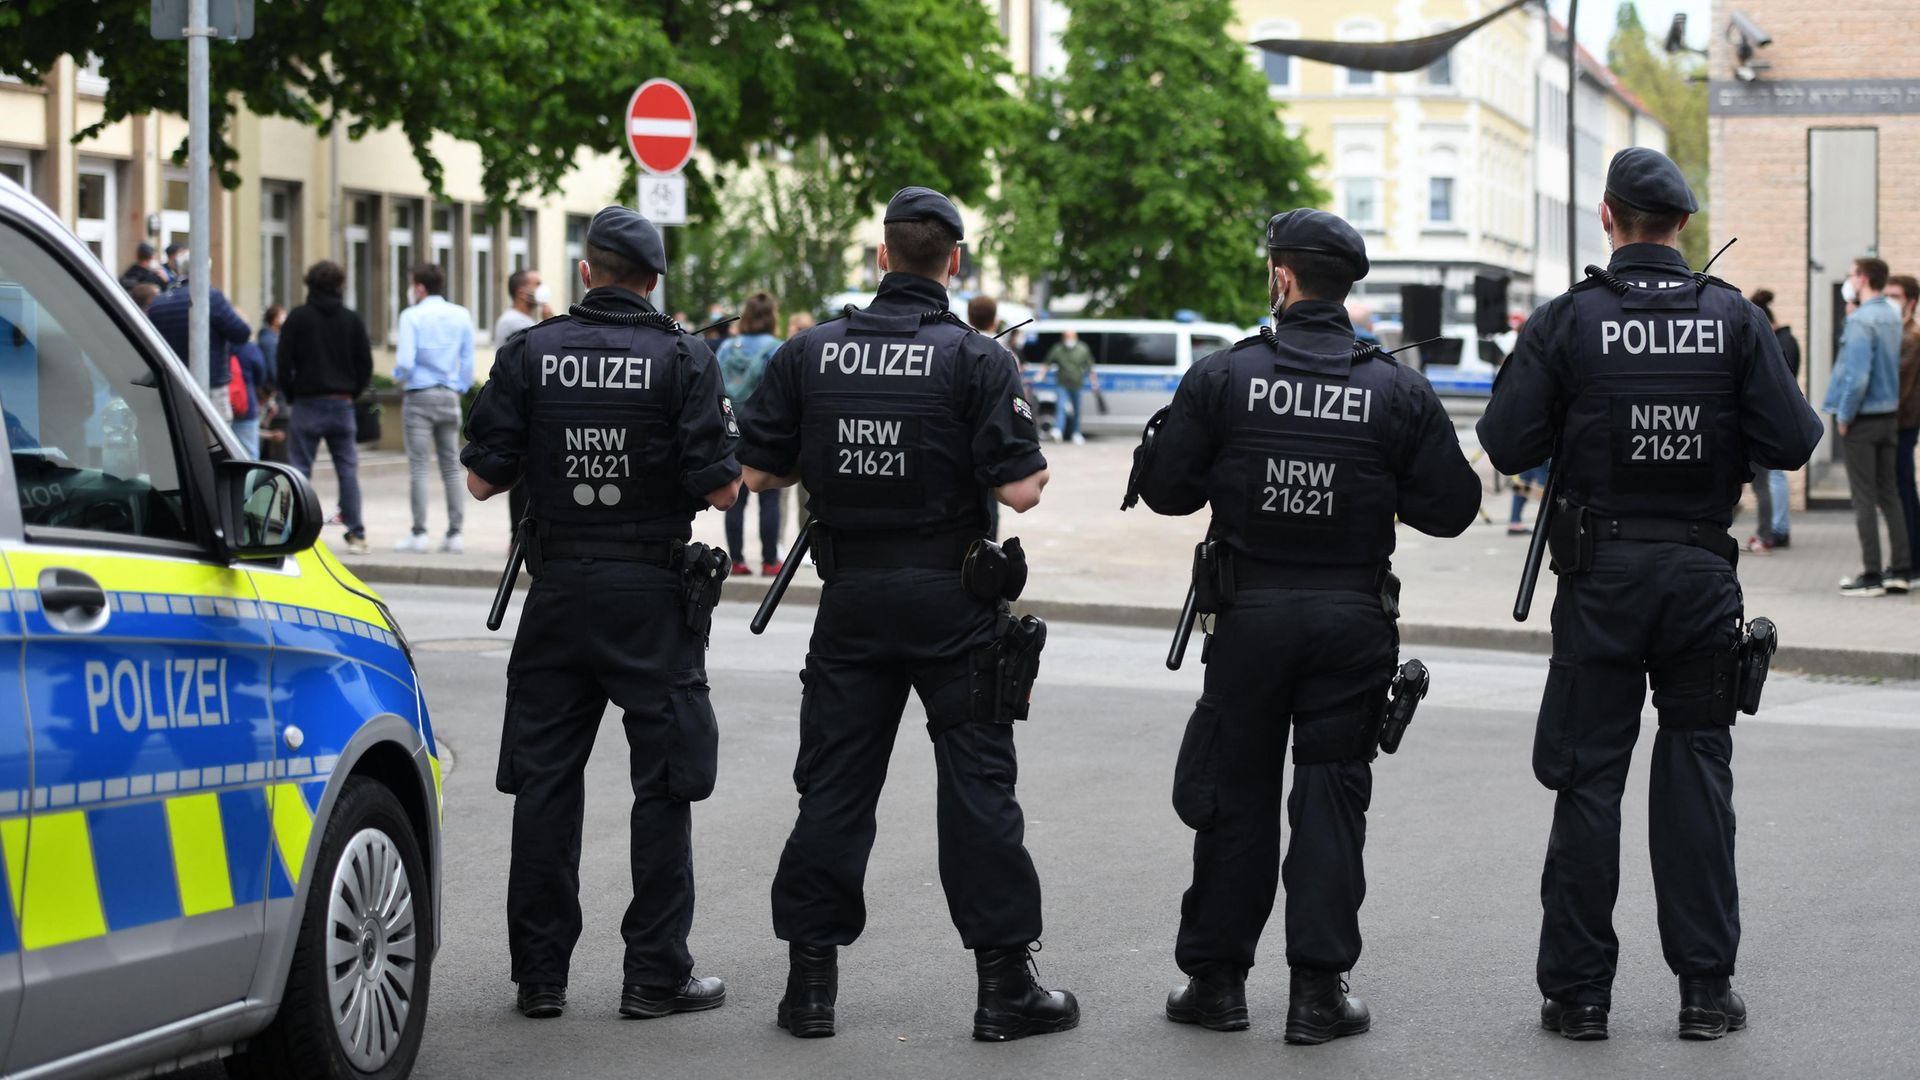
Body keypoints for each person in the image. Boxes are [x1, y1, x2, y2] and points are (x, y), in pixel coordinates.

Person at [1477, 148, 1822, 1042]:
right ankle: (1705, 992)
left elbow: (1506, 442)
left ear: (1607, 218)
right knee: (1697, 770)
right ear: (1681, 227)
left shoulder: (1569, 320)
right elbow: (1793, 441)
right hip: (1702, 579)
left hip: (1601, 578)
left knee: (1589, 780)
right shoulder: (1734, 321)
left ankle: (1579, 997)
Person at [1130, 209, 1480, 1044]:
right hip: (1350, 619)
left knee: (1235, 798)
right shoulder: (1395, 386)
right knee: (1331, 799)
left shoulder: (1225, 375)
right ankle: (1318, 995)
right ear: (1345, 287)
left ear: (1281, 279)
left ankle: (1216, 984)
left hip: (1249, 616)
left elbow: (1168, 490)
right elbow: (1455, 509)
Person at [736, 186, 1076, 1043]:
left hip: (851, 600)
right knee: (977, 789)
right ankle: (1004, 989)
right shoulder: (975, 358)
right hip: (954, 600)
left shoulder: (811, 352)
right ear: (952, 263)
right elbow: (1023, 490)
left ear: (882, 256)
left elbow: (759, 474)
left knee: (834, 788)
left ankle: (809, 988)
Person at [461, 206, 739, 1023]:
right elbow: (724, 488)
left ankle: (540, 978)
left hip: (557, 593)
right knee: (662, 784)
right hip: (653, 596)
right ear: (654, 281)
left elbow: (482, 481)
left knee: (545, 784)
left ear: (586, 273)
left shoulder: (529, 352)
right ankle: (655, 976)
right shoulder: (686, 357)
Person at [1823, 257, 1911, 596]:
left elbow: (1857, 378)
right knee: (1890, 494)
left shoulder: (1861, 320)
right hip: (1889, 416)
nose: (1849, 281)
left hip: (1862, 419)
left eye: (1851, 275)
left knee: (1863, 498)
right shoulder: (1891, 315)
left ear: (1863, 279)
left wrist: (1844, 417)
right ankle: (1900, 570)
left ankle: (1871, 575)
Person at [280, 260, 374, 554]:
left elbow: (283, 363)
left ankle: (293, 529)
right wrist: (351, 393)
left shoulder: (297, 318)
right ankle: (356, 532)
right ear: (340, 285)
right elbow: (365, 365)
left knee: (299, 469)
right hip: (342, 404)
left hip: (307, 403)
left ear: (309, 284)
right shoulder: (351, 319)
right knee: (347, 469)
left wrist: (291, 394)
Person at [392, 264, 476, 554]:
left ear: (419, 287)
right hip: (449, 396)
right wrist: (459, 386)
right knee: (451, 467)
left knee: (419, 467)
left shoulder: (411, 316)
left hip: (419, 395)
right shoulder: (461, 315)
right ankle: (455, 533)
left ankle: (419, 533)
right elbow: (467, 360)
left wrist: (400, 376)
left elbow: (404, 360)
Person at [718, 291, 785, 576]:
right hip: (765, 431)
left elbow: (716, 388)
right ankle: (770, 560)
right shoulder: (776, 348)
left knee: (735, 496)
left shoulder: (727, 347)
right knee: (769, 496)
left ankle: (737, 560)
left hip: (732, 429)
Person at [1744, 289, 1802, 554]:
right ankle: (1776, 530)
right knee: (1770, 479)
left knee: (1767, 481)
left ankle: (1772, 532)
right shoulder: (1787, 340)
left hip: (1766, 421)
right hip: (1772, 420)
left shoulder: (1781, 342)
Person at [147, 275, 251, 423]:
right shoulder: (212, 298)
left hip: (174, 384)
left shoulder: (159, 304)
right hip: (211, 383)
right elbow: (242, 333)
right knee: (215, 438)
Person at [1886, 274, 1920, 576]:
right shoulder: (1899, 333)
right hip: (1900, 423)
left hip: (1902, 425)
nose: (1889, 302)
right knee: (1900, 488)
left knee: (1902, 489)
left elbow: (1899, 388)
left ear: (1910, 301)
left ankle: (1911, 562)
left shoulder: (1910, 336)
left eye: (1894, 296)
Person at [227, 306, 271, 459]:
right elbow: (261, 376)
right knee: (249, 454)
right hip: (245, 406)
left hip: (219, 406)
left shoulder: (218, 347)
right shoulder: (250, 349)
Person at [1043, 328, 1095, 443]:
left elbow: (1090, 367)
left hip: (1077, 384)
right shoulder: (1058, 349)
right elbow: (1046, 363)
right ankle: (1058, 431)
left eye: (1071, 337)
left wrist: (1094, 382)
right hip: (1062, 384)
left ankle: (1076, 433)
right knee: (1060, 407)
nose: (1069, 339)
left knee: (1076, 410)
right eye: (1067, 337)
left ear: (1075, 337)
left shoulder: (1083, 349)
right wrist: (1040, 375)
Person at [495, 267, 550, 344]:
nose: (542, 289)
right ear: (521, 293)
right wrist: (550, 324)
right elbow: (535, 349)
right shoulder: (513, 321)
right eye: (537, 284)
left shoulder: (524, 319)